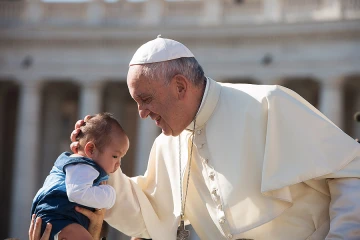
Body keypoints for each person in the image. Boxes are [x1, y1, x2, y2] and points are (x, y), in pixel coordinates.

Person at [32, 37, 360, 240]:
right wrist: (94, 162)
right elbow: (149, 216)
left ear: (179, 86)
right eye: (135, 104)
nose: (142, 113)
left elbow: (350, 172)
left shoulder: (269, 105)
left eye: (145, 99)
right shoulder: (166, 144)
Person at [30, 113, 129, 240]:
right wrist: (109, 195)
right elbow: (76, 193)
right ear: (91, 150)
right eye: (115, 156)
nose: (118, 164)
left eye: (121, 158)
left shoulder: (79, 165)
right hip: (58, 215)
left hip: (58, 216)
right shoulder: (83, 166)